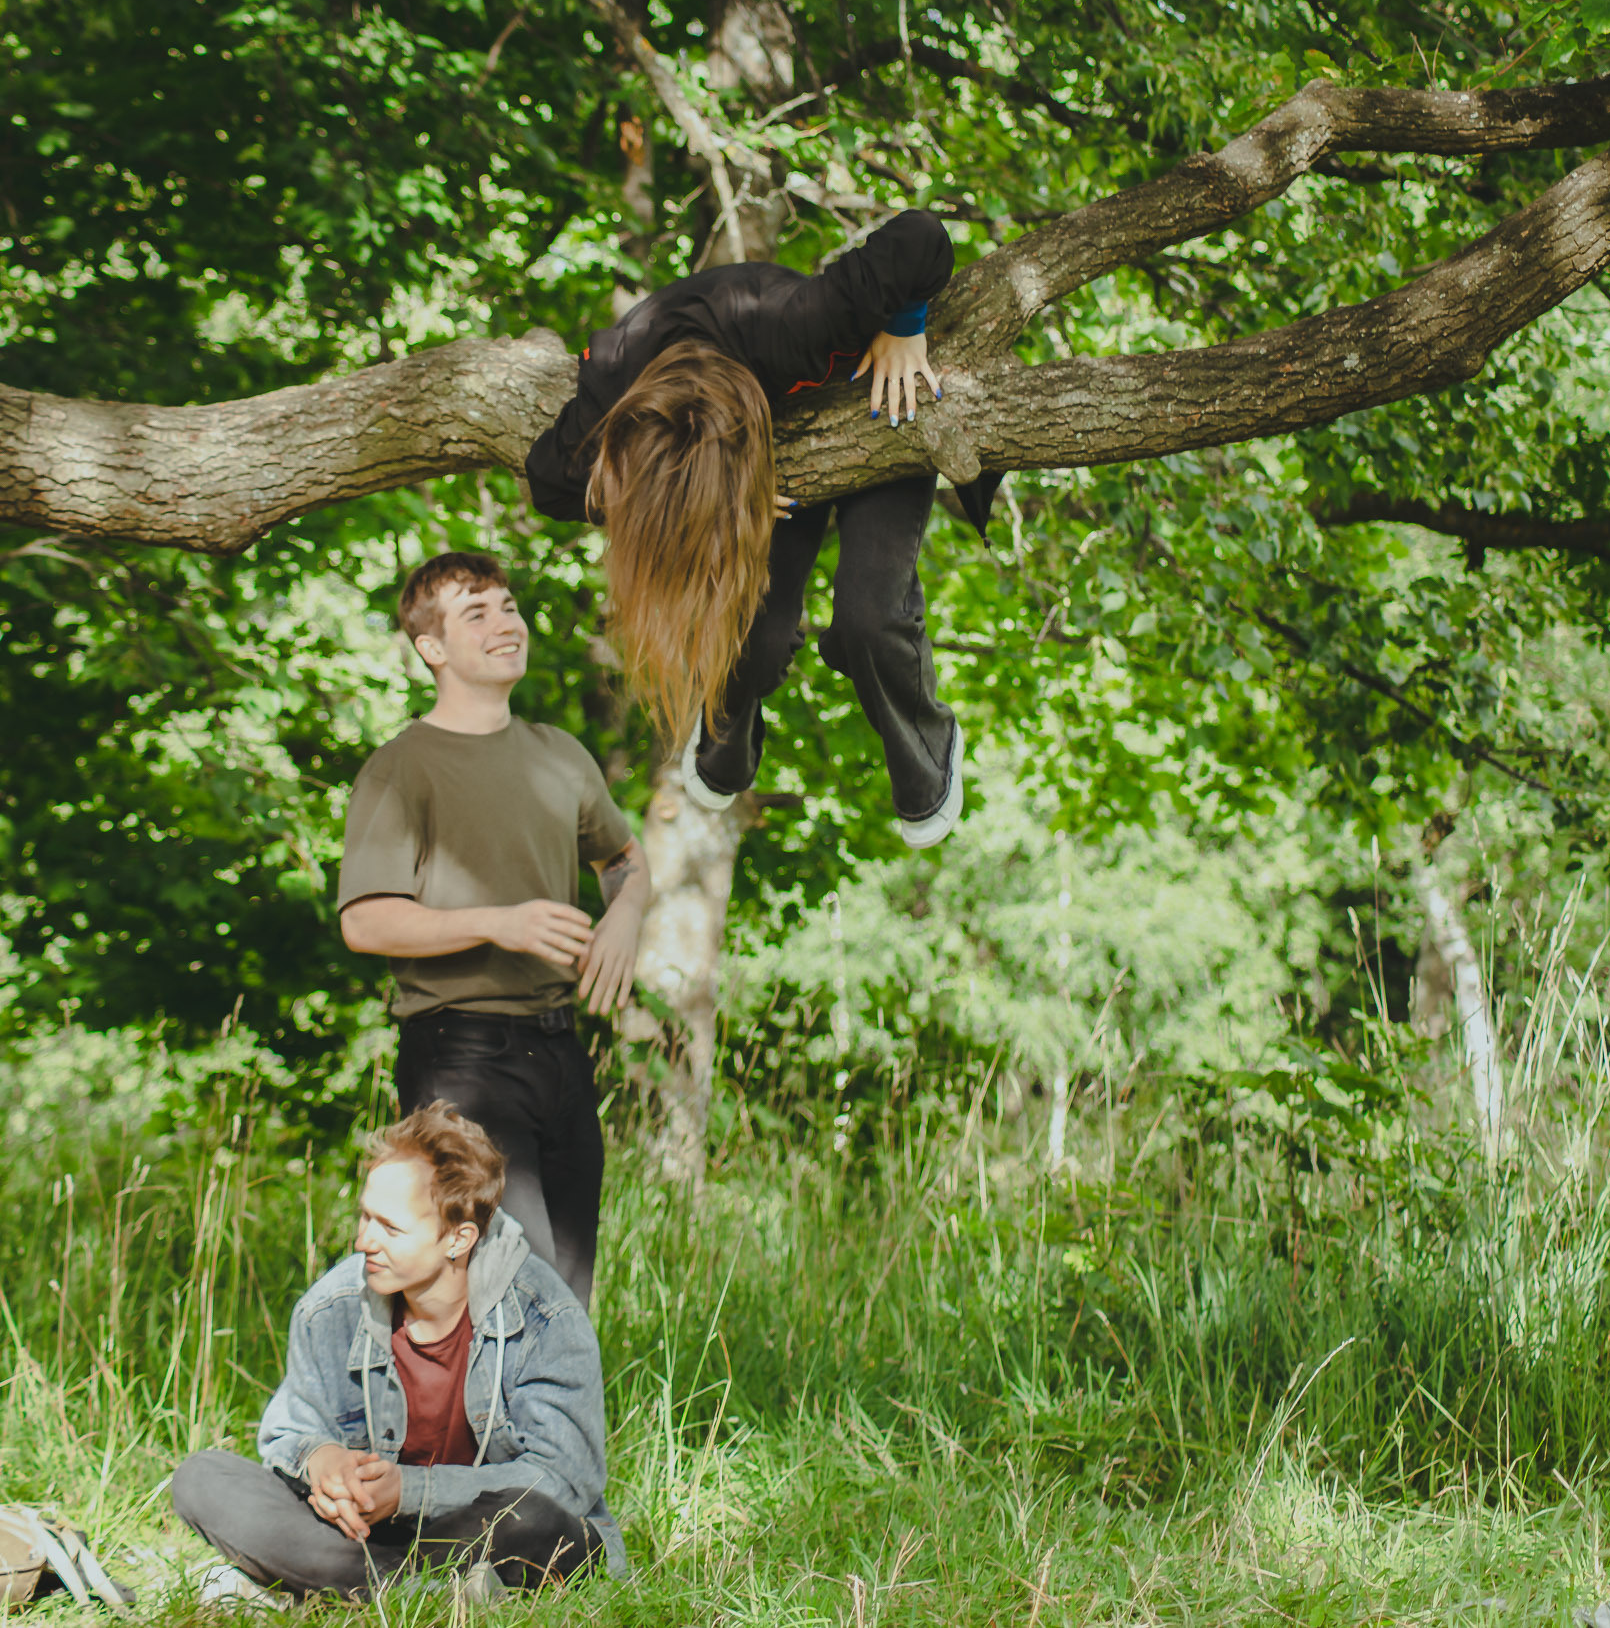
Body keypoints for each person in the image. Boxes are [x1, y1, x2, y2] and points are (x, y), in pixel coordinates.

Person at [523, 207, 1000, 849]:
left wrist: (905, 326)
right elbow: (548, 485)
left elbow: (920, 236)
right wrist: (717, 503)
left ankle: (926, 753)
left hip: (874, 402)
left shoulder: (797, 325)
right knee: (760, 637)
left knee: (869, 619)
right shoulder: (611, 393)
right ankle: (724, 735)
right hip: (745, 457)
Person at [336, 552, 650, 1308]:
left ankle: (549, 1432)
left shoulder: (560, 755)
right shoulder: (401, 768)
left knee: (566, 1297)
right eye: (476, 613)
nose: (506, 622)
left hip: (563, 1051)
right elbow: (364, 920)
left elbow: (626, 859)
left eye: (509, 606)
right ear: (432, 648)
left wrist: (626, 915)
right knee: (510, 1287)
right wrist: (499, 922)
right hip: (462, 1057)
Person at [171, 1103, 620, 1606]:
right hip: (364, 1539)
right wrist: (323, 1461)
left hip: (482, 1534)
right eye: (364, 1216)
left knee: (536, 1521)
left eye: (390, 1227)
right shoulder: (331, 1308)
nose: (364, 1240)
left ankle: (315, 1586)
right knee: (202, 1478)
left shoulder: (546, 1317)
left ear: (458, 1237)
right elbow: (290, 1431)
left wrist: (408, 1491)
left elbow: (566, 1481)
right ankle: (415, 1591)